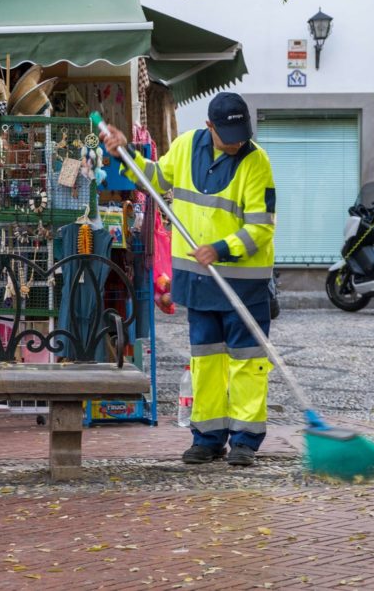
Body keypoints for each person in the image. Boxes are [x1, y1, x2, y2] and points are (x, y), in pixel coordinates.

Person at [101, 92, 276, 467]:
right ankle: (208, 437)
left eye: (241, 132)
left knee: (247, 362)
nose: (237, 140)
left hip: (243, 283)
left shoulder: (257, 163)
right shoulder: (184, 147)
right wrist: (124, 153)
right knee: (205, 361)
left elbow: (261, 229)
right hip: (197, 282)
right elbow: (156, 177)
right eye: (227, 132)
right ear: (209, 126)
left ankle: (245, 440)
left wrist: (222, 248)